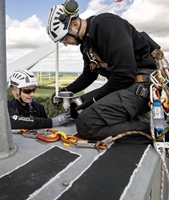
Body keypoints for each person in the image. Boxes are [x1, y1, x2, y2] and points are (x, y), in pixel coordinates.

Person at [46, 0, 159, 143]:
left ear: (74, 24)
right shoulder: (86, 45)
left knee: (86, 124)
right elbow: (89, 75)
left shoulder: (106, 25)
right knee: (77, 107)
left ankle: (153, 131)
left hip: (142, 85)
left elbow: (125, 74)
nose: (66, 44)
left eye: (64, 38)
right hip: (127, 85)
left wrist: (93, 100)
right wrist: (64, 91)